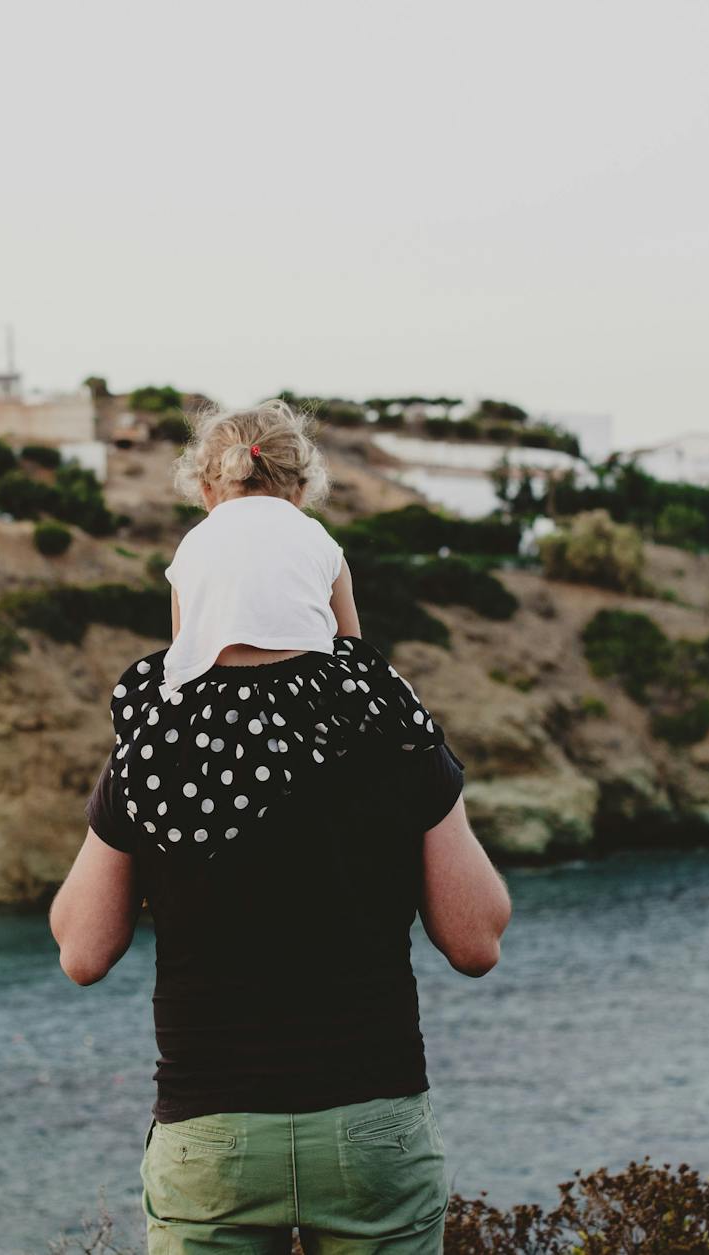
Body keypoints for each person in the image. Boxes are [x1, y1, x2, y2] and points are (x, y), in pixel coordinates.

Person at [50, 399, 513, 1254]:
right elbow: (475, 939)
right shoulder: (388, 728)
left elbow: (82, 950)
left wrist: (146, 743)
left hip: (211, 1135)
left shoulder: (156, 748)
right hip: (369, 1127)